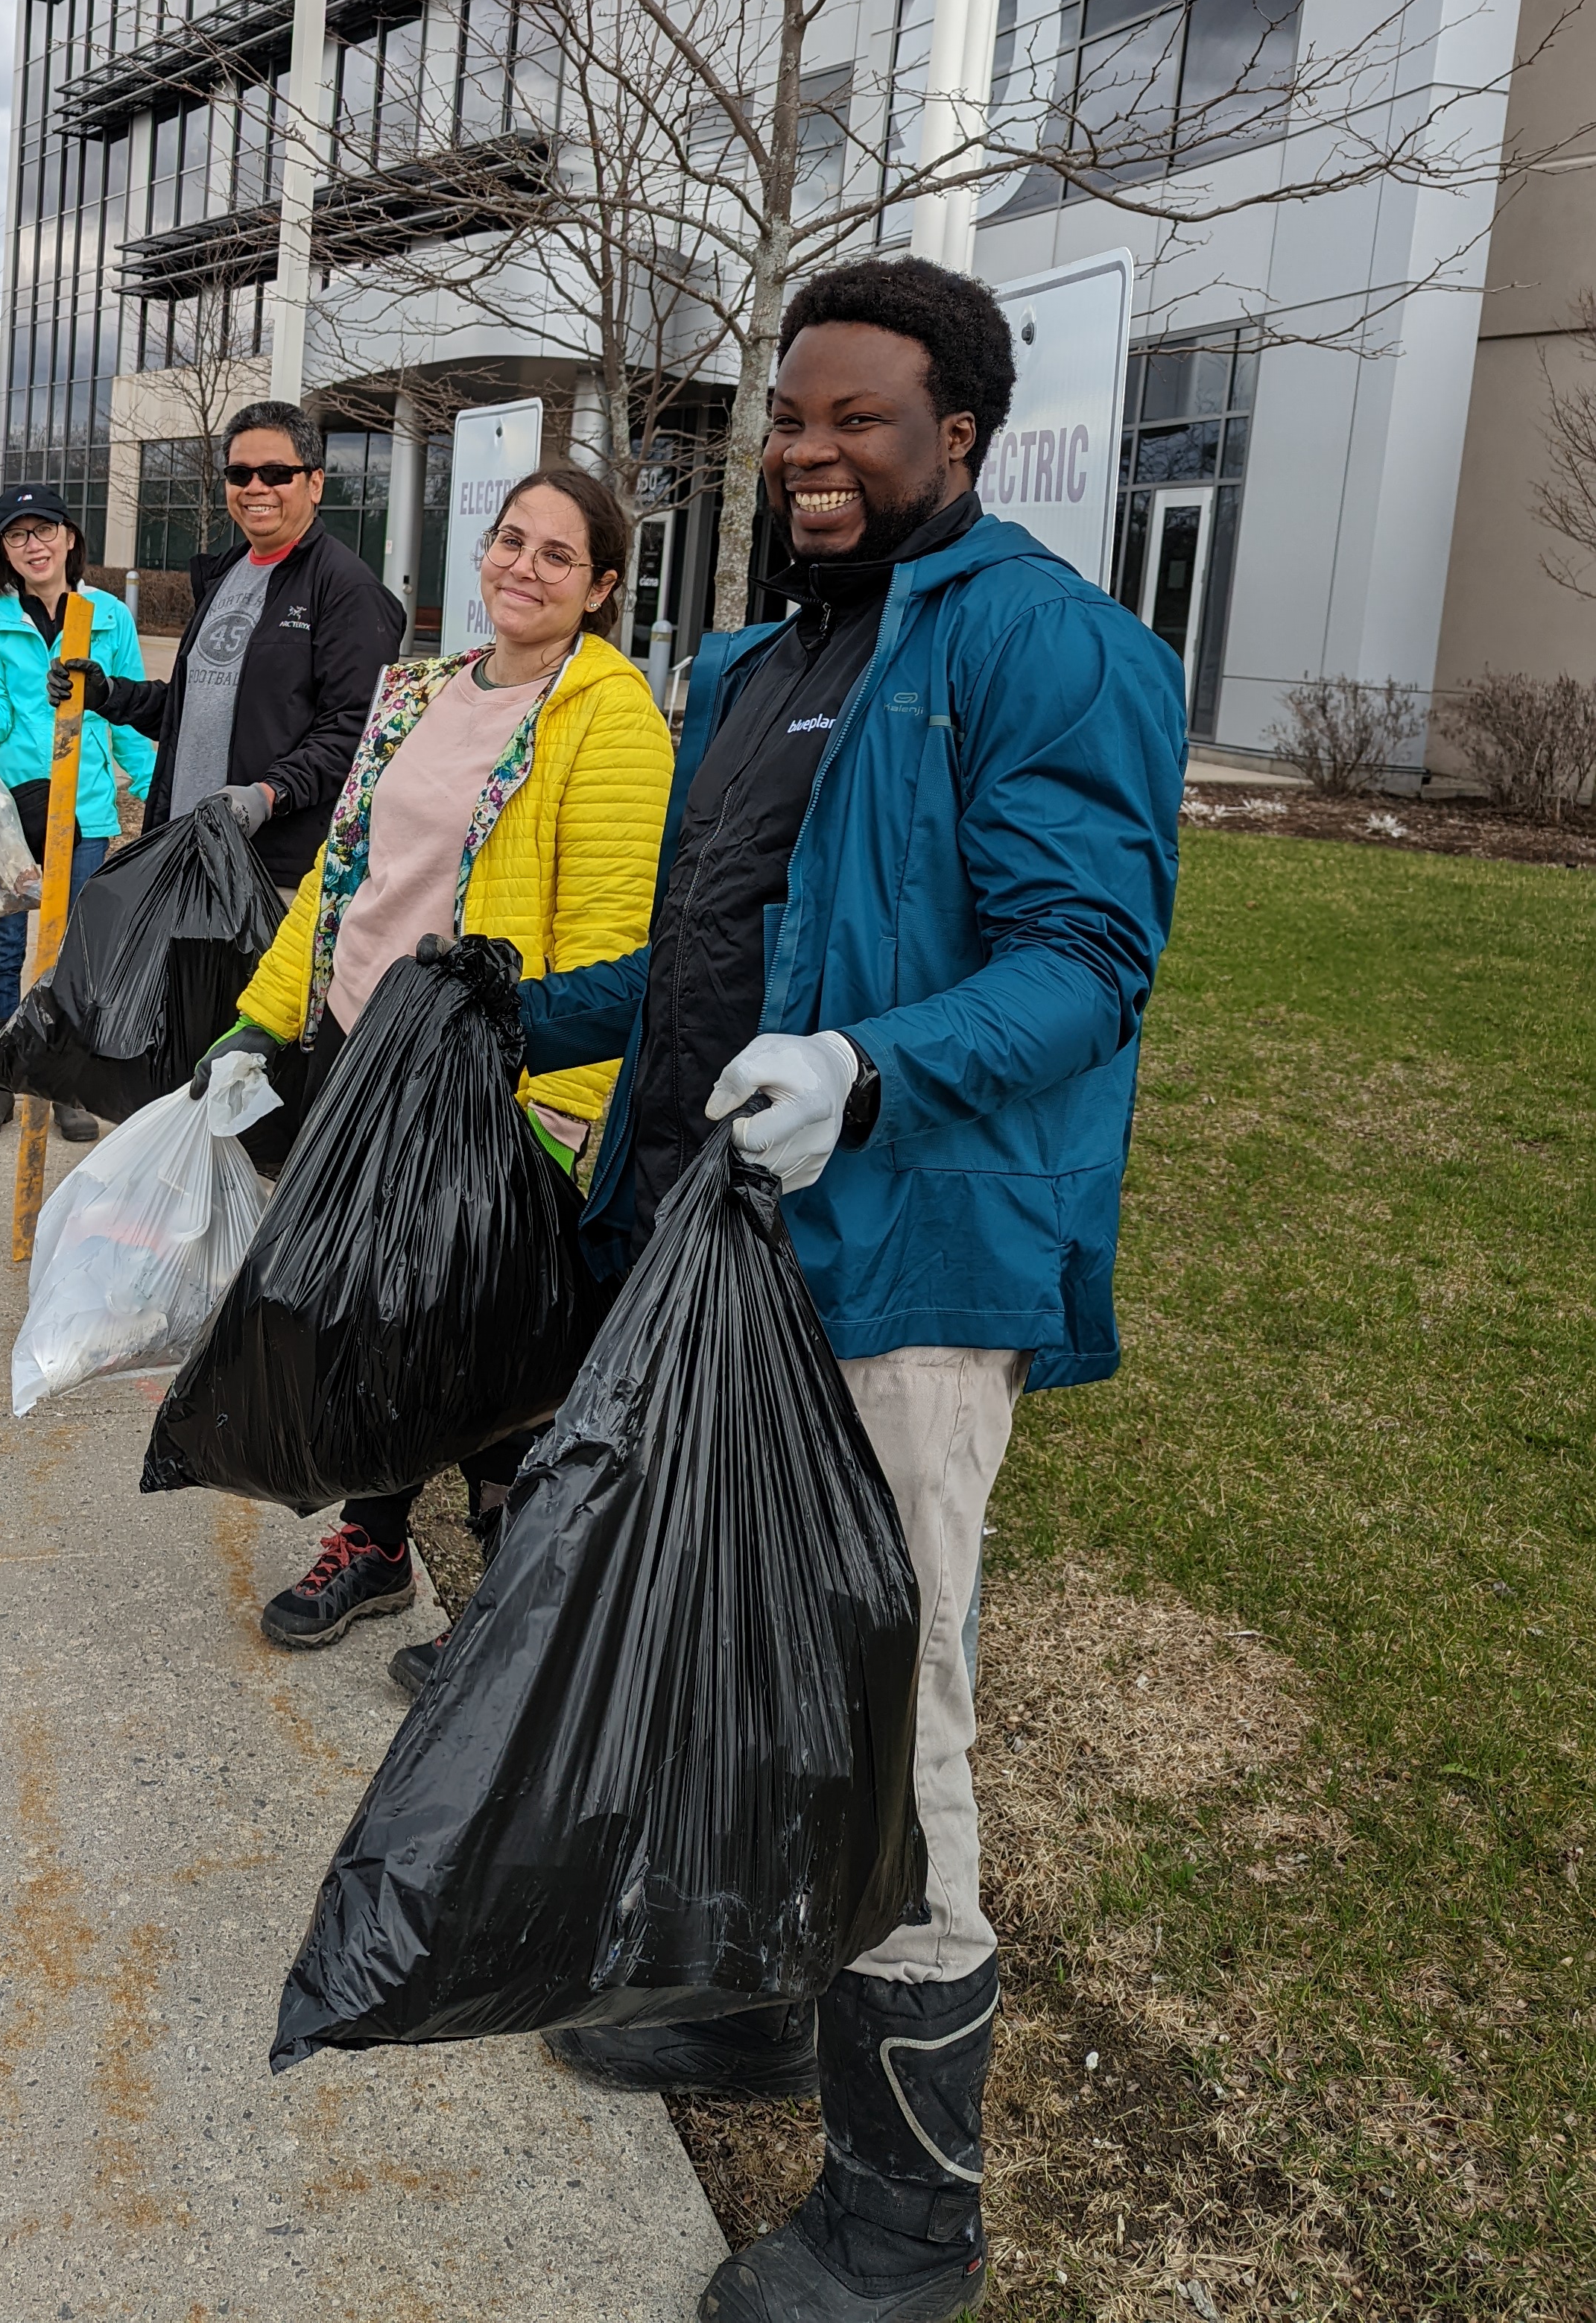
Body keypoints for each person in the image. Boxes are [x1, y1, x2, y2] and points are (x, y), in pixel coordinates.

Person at [516, 261, 1187, 2323]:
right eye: (789, 420)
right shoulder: (747, 670)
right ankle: (742, 2001)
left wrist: (872, 1068)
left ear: (959, 436)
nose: (810, 453)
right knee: (737, 1650)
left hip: (909, 1256)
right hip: (723, 1253)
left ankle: (909, 2217)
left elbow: (1087, 956)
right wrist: (509, 1013)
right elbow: (721, 956)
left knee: (894, 1708)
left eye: (860, 422)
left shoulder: (1047, 651)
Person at [195, 463, 674, 1656]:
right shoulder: (415, 694)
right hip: (362, 1048)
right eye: (513, 541)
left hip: (486, 1068)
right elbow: (340, 883)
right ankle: (381, 1544)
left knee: (481, 1321)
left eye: (558, 556)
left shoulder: (608, 715)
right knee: (371, 1310)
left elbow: (614, 942)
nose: (524, 567)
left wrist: (554, 1126)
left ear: (603, 586)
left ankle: (505, 1581)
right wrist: (260, 1020)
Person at [45, 401, 405, 896]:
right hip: (185, 850)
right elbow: (197, 708)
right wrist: (109, 696)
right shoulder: (226, 574)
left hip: (272, 873)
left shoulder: (348, 591)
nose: (256, 487)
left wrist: (268, 795)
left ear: (315, 483)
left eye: (276, 473)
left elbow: (353, 732)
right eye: (240, 473)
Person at [0, 484, 153, 1145]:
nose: (33, 546)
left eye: (44, 531)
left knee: (73, 954)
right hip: (9, 811)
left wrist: (156, 790)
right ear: (4, 551)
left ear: (71, 538)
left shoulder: (107, 618)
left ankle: (66, 1081)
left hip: (86, 812)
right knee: (4, 950)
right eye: (17, 536)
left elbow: (127, 711)